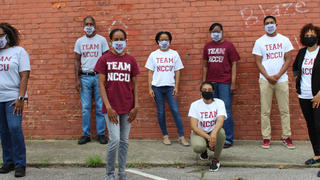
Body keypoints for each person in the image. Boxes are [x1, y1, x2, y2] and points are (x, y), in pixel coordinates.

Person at [94, 28, 140, 180]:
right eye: (116, 39)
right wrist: (108, 107)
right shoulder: (104, 59)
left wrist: (136, 106)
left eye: (122, 39)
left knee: (125, 141)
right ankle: (109, 173)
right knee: (114, 140)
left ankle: (121, 172)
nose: (119, 42)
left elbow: (135, 85)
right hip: (111, 108)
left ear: (126, 41)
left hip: (127, 107)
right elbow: (101, 84)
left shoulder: (131, 60)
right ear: (111, 41)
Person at [252, 15, 295, 149]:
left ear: (276, 24)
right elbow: (258, 62)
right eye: (267, 23)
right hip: (265, 80)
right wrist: (268, 76)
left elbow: (288, 59)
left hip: (281, 80)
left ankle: (286, 137)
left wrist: (277, 75)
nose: (269, 25)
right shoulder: (259, 42)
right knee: (265, 110)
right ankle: (266, 138)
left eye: (272, 22)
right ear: (263, 26)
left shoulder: (284, 40)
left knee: (284, 110)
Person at [145, 31, 189, 146]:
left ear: (169, 41)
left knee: (175, 110)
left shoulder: (174, 54)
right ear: (158, 41)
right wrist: (150, 88)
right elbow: (150, 72)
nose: (164, 42)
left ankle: (181, 136)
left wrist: (176, 87)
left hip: (170, 87)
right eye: (161, 39)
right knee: (161, 112)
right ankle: (165, 136)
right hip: (157, 87)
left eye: (166, 39)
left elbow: (178, 71)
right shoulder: (153, 55)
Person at [202, 23, 240, 148]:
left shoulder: (229, 45)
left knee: (226, 111)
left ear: (222, 32)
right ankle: (214, 137)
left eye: (218, 31)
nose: (215, 33)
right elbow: (205, 66)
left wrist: (233, 82)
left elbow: (234, 64)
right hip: (211, 83)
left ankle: (228, 139)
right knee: (213, 111)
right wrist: (204, 83)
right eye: (213, 31)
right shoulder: (207, 46)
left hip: (225, 82)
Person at [0, 23, 30, 177]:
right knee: (3, 131)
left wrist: (21, 97)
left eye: (0, 35)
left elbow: (25, 75)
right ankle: (8, 162)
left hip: (13, 98)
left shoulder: (19, 52)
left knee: (14, 128)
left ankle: (20, 164)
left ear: (8, 35)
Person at [74, 16, 109, 145]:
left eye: (91, 24)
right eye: (86, 24)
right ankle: (86, 134)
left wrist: (106, 77)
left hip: (99, 77)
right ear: (83, 26)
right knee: (86, 107)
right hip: (85, 77)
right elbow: (76, 60)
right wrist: (77, 79)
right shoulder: (79, 41)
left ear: (95, 25)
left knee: (100, 107)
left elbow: (106, 59)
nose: (89, 26)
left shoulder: (101, 40)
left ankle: (101, 134)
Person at [292, 24, 320, 172]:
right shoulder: (302, 52)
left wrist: (319, 93)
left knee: (319, 126)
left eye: (312, 34)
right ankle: (317, 155)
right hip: (304, 95)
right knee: (311, 126)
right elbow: (295, 67)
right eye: (307, 35)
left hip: (318, 96)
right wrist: (298, 79)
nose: (310, 37)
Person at [189, 81, 226, 172]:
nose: (207, 91)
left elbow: (220, 120)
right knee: (198, 147)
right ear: (201, 92)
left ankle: (215, 160)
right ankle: (203, 150)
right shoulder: (195, 105)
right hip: (199, 132)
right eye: (204, 90)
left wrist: (213, 134)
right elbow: (194, 126)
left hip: (213, 131)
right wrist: (209, 138)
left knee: (221, 132)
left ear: (213, 91)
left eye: (209, 90)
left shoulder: (219, 103)